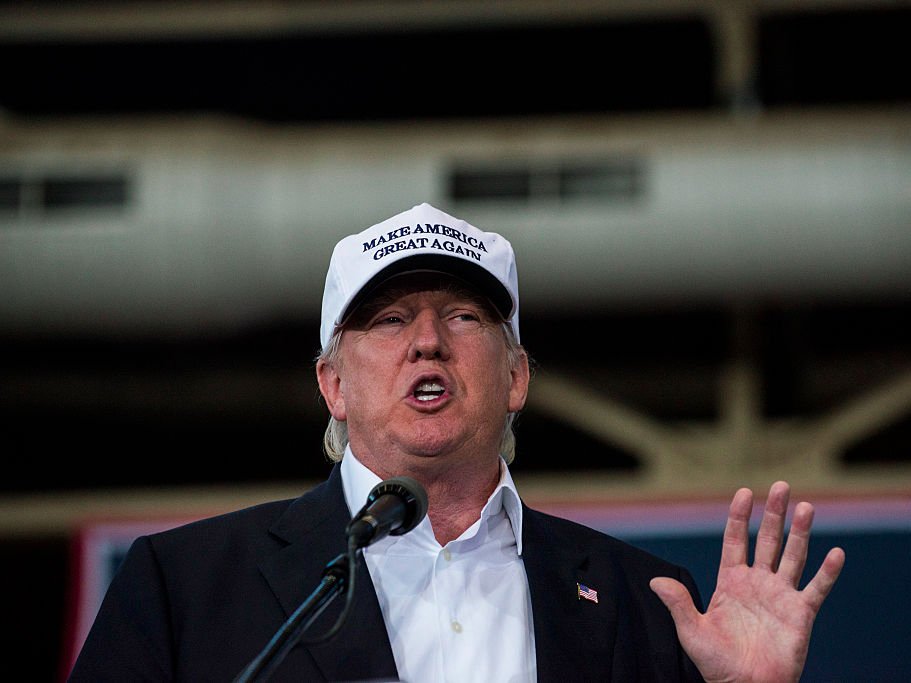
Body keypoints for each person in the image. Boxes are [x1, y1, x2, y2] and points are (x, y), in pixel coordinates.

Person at [69, 203, 845, 682]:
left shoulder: (644, 605)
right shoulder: (185, 588)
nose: (429, 341)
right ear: (332, 384)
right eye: (389, 319)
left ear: (515, 376)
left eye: (465, 316)